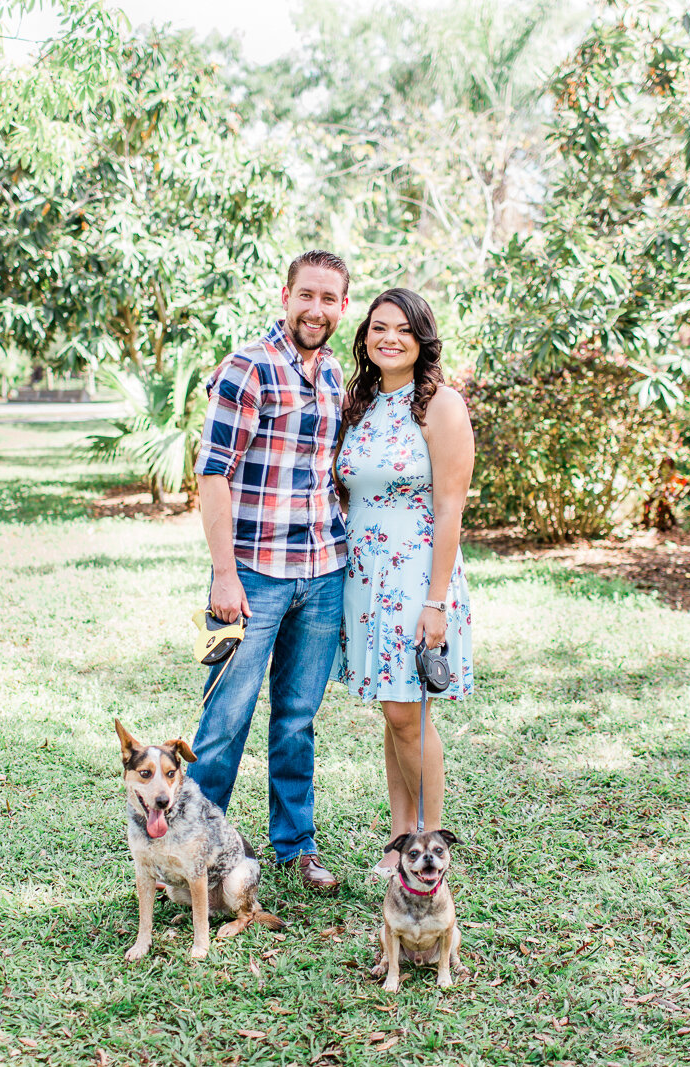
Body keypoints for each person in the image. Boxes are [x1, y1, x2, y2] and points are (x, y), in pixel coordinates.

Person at [188, 249, 352, 894]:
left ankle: (296, 846)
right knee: (225, 718)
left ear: (343, 305)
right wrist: (223, 576)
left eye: (329, 299)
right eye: (305, 295)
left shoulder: (336, 374)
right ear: (285, 295)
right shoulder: (247, 368)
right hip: (251, 575)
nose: (316, 309)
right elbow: (212, 475)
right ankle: (197, 848)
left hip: (322, 574)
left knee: (297, 718)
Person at [334, 288, 475, 880]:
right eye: (378, 327)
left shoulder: (440, 405)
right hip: (365, 580)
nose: (388, 338)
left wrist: (435, 601)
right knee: (393, 716)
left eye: (403, 330)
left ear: (422, 341)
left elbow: (450, 509)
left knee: (408, 714)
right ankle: (399, 844)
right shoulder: (360, 402)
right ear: (365, 336)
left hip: (418, 579)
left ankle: (430, 851)